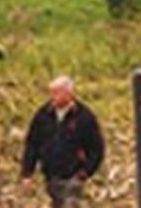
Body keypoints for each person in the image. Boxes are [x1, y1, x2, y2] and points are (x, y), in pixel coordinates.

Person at [19, 76, 105, 207]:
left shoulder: (84, 116)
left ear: (69, 94)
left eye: (56, 92)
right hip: (51, 175)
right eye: (51, 92)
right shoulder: (43, 115)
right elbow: (32, 144)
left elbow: (97, 147)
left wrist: (85, 172)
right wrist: (27, 173)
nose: (52, 96)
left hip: (73, 176)